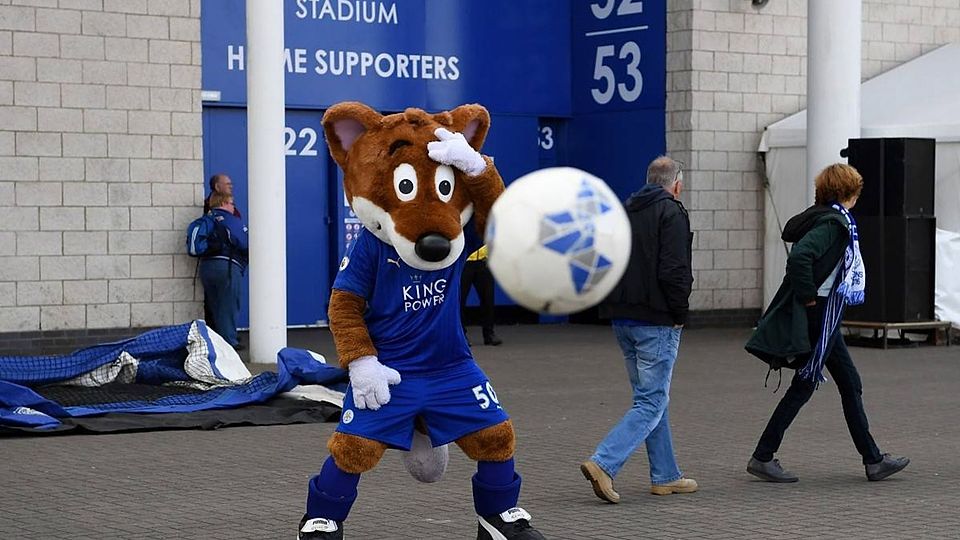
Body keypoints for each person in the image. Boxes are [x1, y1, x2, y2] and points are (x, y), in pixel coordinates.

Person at [745, 163, 909, 483]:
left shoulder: (822, 217)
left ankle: (873, 459)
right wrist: (809, 297)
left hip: (824, 313)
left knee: (848, 383)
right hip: (821, 313)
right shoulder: (834, 224)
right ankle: (763, 455)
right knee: (809, 384)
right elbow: (801, 257)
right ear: (849, 193)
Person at [580, 155, 698, 503]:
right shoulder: (671, 213)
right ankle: (604, 462)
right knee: (651, 401)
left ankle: (666, 475)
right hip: (656, 318)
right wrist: (680, 313)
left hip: (623, 318)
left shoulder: (622, 211)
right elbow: (674, 269)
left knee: (651, 398)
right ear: (676, 185)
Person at [199, 192, 248, 350]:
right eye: (232, 203)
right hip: (227, 267)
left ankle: (217, 344)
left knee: (215, 306)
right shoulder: (230, 220)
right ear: (224, 203)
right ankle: (229, 343)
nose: (234, 207)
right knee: (229, 306)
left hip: (206, 267)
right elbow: (244, 242)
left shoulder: (207, 219)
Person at [460, 245, 502, 346]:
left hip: (484, 261)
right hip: (464, 262)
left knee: (488, 299)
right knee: (460, 300)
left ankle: (489, 334)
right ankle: (461, 336)